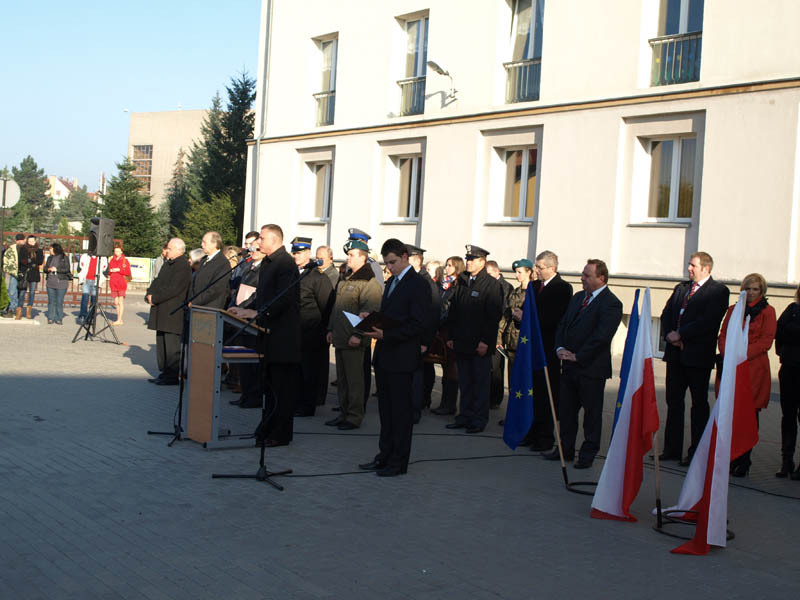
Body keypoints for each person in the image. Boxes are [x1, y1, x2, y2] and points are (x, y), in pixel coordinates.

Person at [360, 238, 431, 476]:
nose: (389, 268)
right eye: (386, 263)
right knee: (386, 412)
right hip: (385, 357)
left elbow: (418, 324)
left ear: (405, 257)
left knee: (400, 414)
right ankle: (384, 455)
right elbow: (392, 315)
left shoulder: (418, 284)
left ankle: (398, 462)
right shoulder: (392, 282)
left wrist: (387, 334)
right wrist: (372, 318)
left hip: (402, 358)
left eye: (392, 262)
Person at [545, 259, 622, 469]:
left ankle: (587, 454)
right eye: (582, 274)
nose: (582, 278)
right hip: (569, 367)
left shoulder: (611, 303)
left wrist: (578, 356)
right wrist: (560, 348)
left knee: (591, 415)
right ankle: (565, 449)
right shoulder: (578, 298)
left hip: (591, 369)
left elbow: (601, 336)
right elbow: (563, 325)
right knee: (567, 412)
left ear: (601, 278)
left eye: (587, 275)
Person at [229, 224, 301, 447]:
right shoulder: (269, 262)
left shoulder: (285, 263)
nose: (258, 242)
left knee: (281, 389)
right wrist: (245, 308)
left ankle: (279, 434)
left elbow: (283, 298)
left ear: (274, 240)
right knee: (269, 388)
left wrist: (258, 313)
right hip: (267, 335)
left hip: (282, 337)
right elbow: (262, 295)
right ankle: (267, 428)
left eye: (261, 238)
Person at [660, 251, 730, 465]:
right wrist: (671, 336)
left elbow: (708, 321)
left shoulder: (718, 291)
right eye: (689, 265)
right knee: (673, 402)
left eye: (693, 265)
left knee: (698, 404)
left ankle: (696, 452)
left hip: (697, 357)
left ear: (706, 269)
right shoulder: (681, 288)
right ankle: (672, 449)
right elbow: (666, 314)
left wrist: (682, 335)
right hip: (675, 355)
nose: (689, 268)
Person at [715, 273, 776, 477]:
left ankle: (745, 460)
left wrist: (741, 355)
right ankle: (731, 457)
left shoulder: (768, 311)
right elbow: (723, 334)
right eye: (747, 288)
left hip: (753, 369)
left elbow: (766, 341)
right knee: (729, 414)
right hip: (731, 366)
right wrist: (728, 353)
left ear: (762, 291)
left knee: (749, 415)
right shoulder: (734, 310)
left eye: (755, 289)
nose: (750, 293)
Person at [444, 244, 503, 433]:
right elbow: (454, 310)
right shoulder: (463, 280)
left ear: (482, 262)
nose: (468, 262)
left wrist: (486, 341)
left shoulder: (491, 285)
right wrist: (451, 336)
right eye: (467, 259)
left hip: (479, 344)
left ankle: (478, 419)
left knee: (480, 383)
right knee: (465, 382)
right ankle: (464, 416)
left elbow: (493, 316)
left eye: (472, 259)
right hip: (462, 341)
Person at [325, 236, 382, 430]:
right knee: (342, 380)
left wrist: (358, 334)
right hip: (341, 336)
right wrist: (331, 329)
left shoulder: (369, 283)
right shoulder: (346, 279)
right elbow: (337, 308)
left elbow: (370, 312)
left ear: (362, 257)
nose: (347, 258)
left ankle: (354, 416)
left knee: (354, 380)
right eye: (347, 255)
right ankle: (343, 413)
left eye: (351, 255)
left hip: (354, 339)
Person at [527, 250, 573, 451]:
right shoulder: (533, 286)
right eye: (536, 266)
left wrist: (532, 319)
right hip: (531, 346)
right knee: (532, 392)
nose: (536, 270)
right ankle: (530, 432)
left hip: (548, 347)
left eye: (540, 267)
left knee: (546, 393)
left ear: (552, 268)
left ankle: (544, 437)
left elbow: (555, 317)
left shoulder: (562, 288)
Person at [291, 236, 334, 417]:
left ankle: (308, 406)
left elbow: (327, 306)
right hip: (294, 332)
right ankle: (296, 402)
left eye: (300, 252)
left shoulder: (318, 278)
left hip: (311, 333)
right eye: (294, 252)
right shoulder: (293, 274)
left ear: (308, 253)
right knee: (296, 372)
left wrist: (324, 331)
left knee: (309, 372)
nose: (296, 256)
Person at [145, 238, 191, 386]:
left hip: (172, 311)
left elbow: (174, 288)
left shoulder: (183, 265)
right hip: (161, 310)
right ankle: (164, 372)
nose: (167, 251)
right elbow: (157, 281)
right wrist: (149, 294)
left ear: (179, 250)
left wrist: (155, 298)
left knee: (171, 346)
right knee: (162, 343)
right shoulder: (168, 263)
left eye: (170, 248)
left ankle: (171, 376)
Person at [228, 243, 266, 408]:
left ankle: (254, 396)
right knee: (242, 360)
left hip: (252, 319)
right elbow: (238, 290)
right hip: (240, 317)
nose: (253, 251)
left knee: (252, 361)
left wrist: (242, 308)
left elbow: (257, 295)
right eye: (252, 249)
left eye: (257, 249)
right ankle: (245, 393)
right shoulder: (248, 267)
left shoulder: (264, 270)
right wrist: (233, 306)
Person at [407, 244, 442, 422]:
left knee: (416, 376)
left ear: (415, 260)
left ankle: (415, 409)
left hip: (419, 338)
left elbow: (433, 314)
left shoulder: (426, 283)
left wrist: (425, 341)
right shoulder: (411, 279)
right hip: (409, 336)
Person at [496, 259, 534, 422]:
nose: (517, 275)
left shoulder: (533, 292)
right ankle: (512, 415)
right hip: (511, 342)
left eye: (520, 272)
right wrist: (499, 337)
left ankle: (523, 416)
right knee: (512, 382)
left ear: (529, 272)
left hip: (524, 343)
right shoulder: (515, 292)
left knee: (524, 383)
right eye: (516, 272)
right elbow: (505, 316)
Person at [431, 256, 465, 415]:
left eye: (450, 265)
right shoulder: (445, 284)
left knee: (452, 368)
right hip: (441, 329)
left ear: (457, 267)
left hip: (450, 330)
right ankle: (444, 403)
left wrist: (441, 321)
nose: (447, 268)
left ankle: (450, 404)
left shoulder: (458, 286)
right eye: (446, 265)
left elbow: (451, 309)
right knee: (445, 366)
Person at [776, 282, 800, 479]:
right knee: (788, 416)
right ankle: (787, 460)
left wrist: (791, 332)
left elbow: (787, 331)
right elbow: (779, 331)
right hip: (789, 368)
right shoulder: (792, 309)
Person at [487, 260, 513, 409]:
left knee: (496, 368)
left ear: (497, 272)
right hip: (489, 331)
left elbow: (504, 311)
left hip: (498, 333)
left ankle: (495, 398)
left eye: (490, 273)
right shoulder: (489, 285)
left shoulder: (505, 287)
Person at [189, 232, 230, 309]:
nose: (202, 244)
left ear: (214, 244)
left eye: (204, 242)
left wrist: (195, 301)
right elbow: (195, 280)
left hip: (210, 308)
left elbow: (216, 289)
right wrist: (190, 298)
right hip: (195, 306)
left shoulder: (223, 263)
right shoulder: (203, 259)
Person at [76, 251, 108, 324]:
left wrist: (102, 279)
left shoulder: (102, 258)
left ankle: (91, 317)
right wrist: (81, 276)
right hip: (86, 280)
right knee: (85, 299)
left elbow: (105, 270)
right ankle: (83, 316)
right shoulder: (85, 256)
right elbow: (79, 267)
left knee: (94, 300)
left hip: (96, 281)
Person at [17, 234, 44, 319]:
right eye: (30, 241)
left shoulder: (39, 250)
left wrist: (32, 262)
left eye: (33, 241)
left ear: (35, 241)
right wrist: (28, 261)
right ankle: (19, 311)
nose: (31, 242)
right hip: (25, 273)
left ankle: (29, 311)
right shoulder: (23, 249)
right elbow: (21, 260)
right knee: (22, 292)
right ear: (27, 241)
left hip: (34, 273)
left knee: (32, 292)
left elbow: (40, 261)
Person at [44, 243, 71, 325]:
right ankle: (51, 317)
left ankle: (59, 318)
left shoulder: (64, 258)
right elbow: (45, 268)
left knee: (59, 301)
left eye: (51, 248)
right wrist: (49, 269)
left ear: (55, 249)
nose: (49, 250)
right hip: (50, 283)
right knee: (51, 301)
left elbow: (67, 269)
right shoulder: (49, 258)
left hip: (61, 283)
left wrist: (57, 269)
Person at [2, 234, 24, 318]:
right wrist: (9, 270)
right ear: (16, 241)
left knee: (21, 293)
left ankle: (18, 309)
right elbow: (6, 260)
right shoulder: (11, 250)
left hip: (24, 273)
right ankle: (11, 309)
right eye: (18, 240)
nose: (20, 242)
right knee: (12, 291)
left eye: (21, 240)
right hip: (14, 273)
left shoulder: (26, 249)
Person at [108, 246, 132, 325]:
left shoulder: (125, 261)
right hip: (113, 283)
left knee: (120, 302)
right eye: (115, 251)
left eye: (118, 251)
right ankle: (119, 319)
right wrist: (111, 270)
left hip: (121, 283)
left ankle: (119, 319)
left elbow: (128, 272)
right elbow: (108, 271)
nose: (116, 252)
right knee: (116, 302)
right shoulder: (112, 260)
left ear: (121, 252)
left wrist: (119, 270)